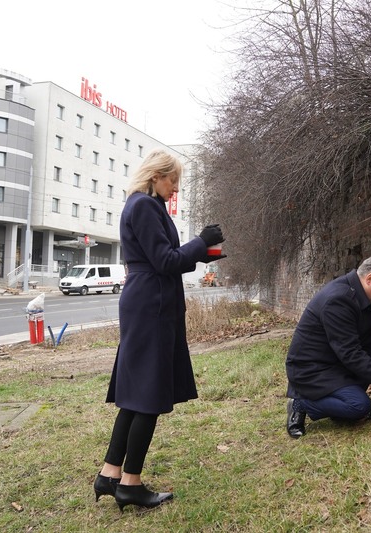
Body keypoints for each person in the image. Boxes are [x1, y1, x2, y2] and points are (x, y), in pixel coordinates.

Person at [93, 149, 225, 511]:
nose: (176, 188)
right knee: (148, 395)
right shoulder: (144, 206)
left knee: (136, 394)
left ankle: (109, 474)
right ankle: (130, 484)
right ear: (156, 176)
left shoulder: (145, 206)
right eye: (173, 180)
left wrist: (203, 252)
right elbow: (165, 261)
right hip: (151, 304)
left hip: (149, 301)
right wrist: (200, 241)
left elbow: (165, 257)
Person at [285, 253, 371, 438]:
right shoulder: (338, 300)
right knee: (359, 406)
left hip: (333, 358)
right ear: (370, 278)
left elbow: (367, 328)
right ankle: (301, 403)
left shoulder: (354, 290)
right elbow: (350, 353)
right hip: (312, 369)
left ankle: (340, 405)